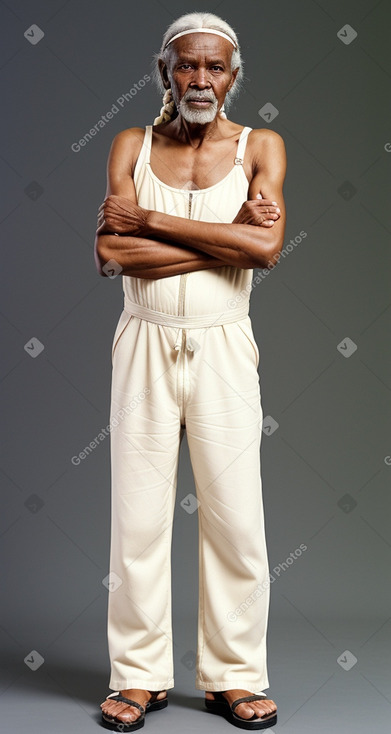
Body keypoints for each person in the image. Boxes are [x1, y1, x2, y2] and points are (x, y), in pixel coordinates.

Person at [95, 10, 286, 731]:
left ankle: (233, 676)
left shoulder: (260, 145)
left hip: (223, 344)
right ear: (164, 73)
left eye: (214, 66)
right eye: (186, 65)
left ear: (233, 76)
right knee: (137, 520)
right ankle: (138, 675)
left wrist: (148, 222)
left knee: (237, 518)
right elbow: (111, 255)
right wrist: (229, 238)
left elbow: (264, 253)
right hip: (143, 341)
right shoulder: (130, 143)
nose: (199, 78)